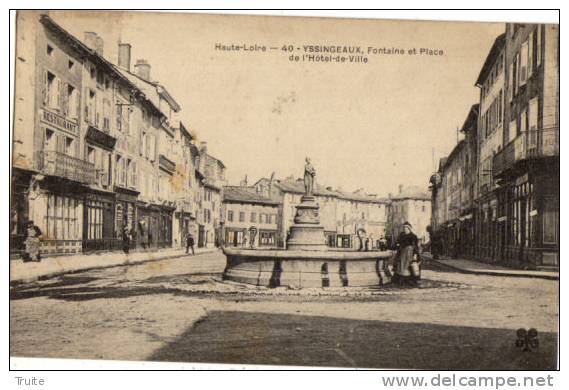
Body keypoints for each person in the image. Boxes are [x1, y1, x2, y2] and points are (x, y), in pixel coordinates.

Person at [393, 222, 421, 286]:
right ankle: (400, 281)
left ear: (409, 229)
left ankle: (409, 281)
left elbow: (415, 247)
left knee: (409, 267)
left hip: (409, 254)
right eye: (404, 228)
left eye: (406, 228)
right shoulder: (401, 235)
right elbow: (397, 242)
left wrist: (415, 255)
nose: (404, 229)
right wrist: (397, 245)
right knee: (400, 266)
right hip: (402, 253)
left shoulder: (413, 236)